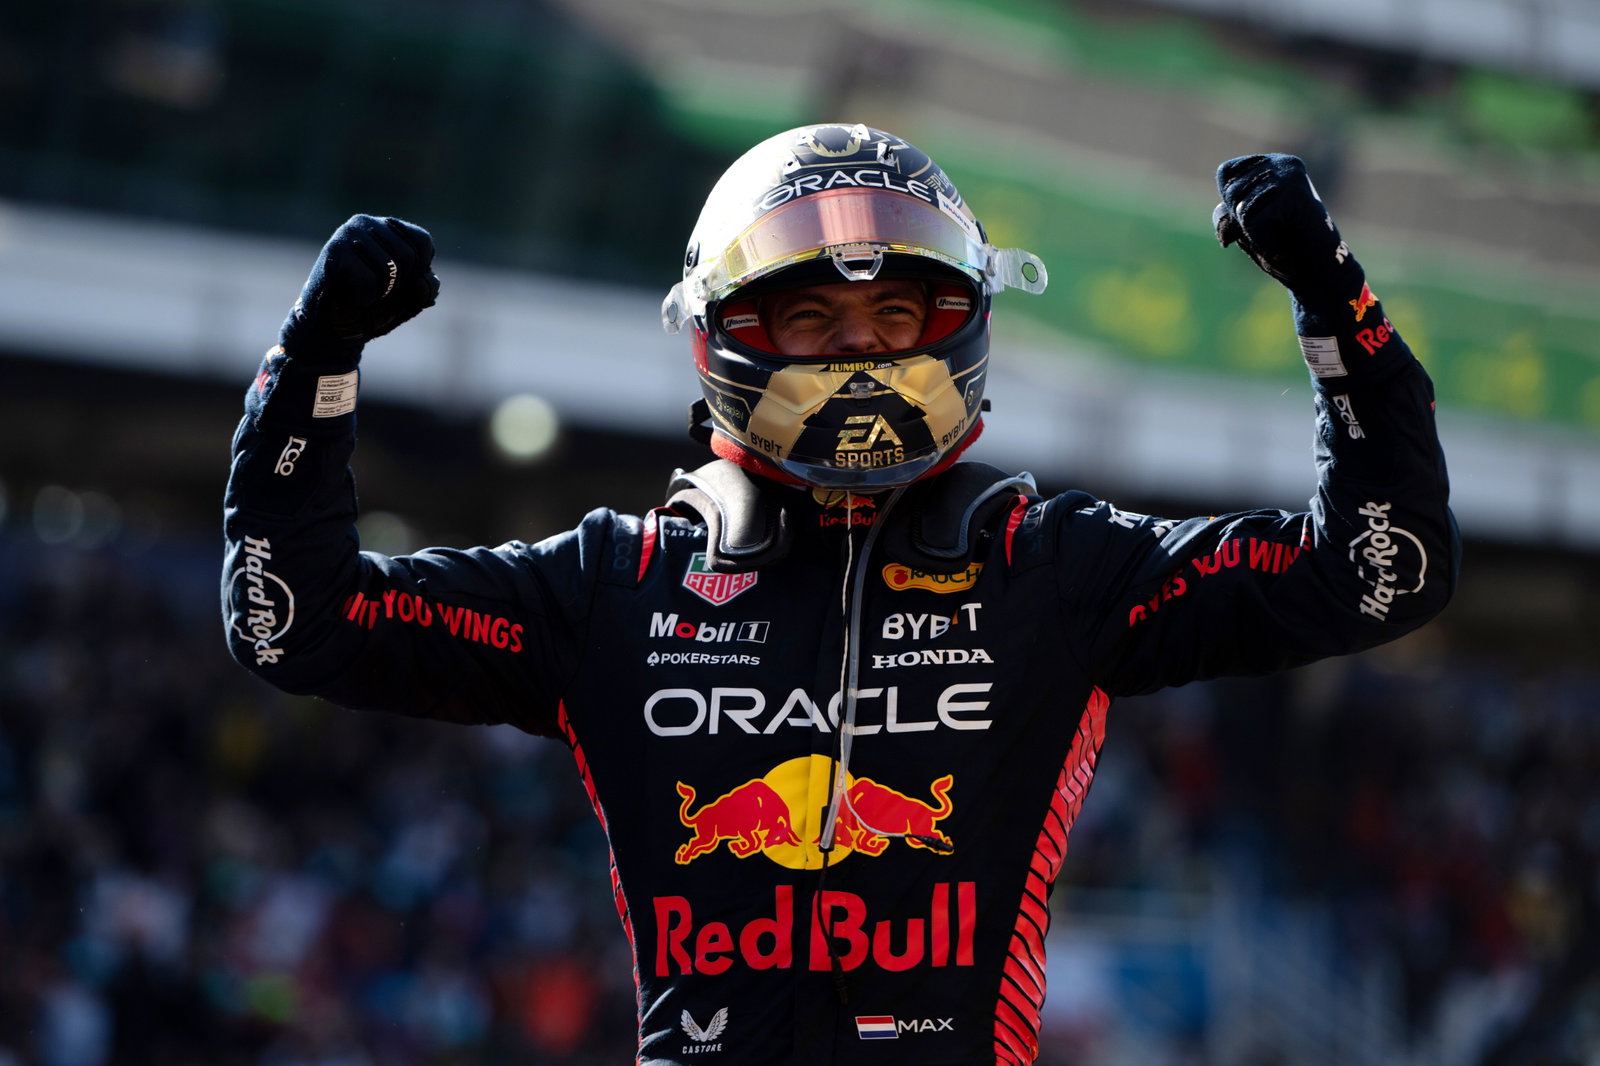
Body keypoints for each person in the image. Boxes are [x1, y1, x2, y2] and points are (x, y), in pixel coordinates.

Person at [223, 123, 1458, 1065]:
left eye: (896, 314)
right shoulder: (615, 582)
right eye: (814, 318)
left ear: (963, 322)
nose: (863, 351)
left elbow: (1378, 571)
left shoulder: (1053, 566)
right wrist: (313, 366)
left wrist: (1332, 304)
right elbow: (295, 623)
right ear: (722, 335)